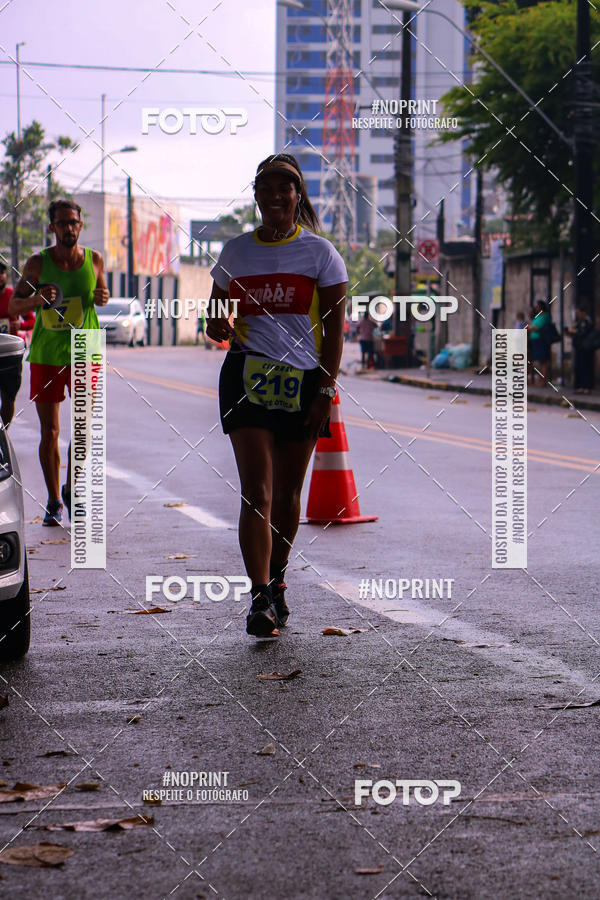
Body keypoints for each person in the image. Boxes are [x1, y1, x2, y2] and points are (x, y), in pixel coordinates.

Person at [207, 154, 348, 637]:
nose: (274, 196)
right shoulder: (235, 252)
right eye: (265, 188)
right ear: (256, 196)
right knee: (257, 492)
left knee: (287, 493)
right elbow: (216, 314)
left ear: (297, 195)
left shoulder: (321, 254)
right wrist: (216, 324)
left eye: (283, 187)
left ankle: (278, 578)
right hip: (246, 376)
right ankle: (259, 596)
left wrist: (325, 389)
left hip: (303, 382)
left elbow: (335, 332)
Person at [9, 198, 109, 525]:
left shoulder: (95, 260)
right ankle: (53, 500)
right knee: (50, 430)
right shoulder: (38, 264)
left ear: (81, 225)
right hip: (48, 354)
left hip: (85, 351)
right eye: (62, 223)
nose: (69, 228)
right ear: (52, 227)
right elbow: (13, 306)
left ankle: (71, 488)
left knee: (82, 428)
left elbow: (101, 294)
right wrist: (37, 299)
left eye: (74, 222)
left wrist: (103, 297)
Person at [0, 262, 33, 426]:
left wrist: (20, 325)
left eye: (1, 273)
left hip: (10, 356)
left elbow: (31, 320)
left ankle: (4, 432)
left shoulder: (12, 296)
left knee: (9, 397)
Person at [566, 307, 595, 394]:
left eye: (578, 313)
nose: (577, 315)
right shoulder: (579, 321)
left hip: (586, 348)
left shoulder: (587, 321)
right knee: (579, 367)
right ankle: (581, 386)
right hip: (579, 347)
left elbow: (583, 332)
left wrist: (574, 331)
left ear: (583, 312)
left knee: (586, 367)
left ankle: (586, 387)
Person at [528, 300, 552, 386]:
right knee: (538, 360)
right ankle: (540, 380)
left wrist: (530, 328)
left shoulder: (545, 316)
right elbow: (530, 325)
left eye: (537, 307)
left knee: (543, 360)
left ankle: (543, 381)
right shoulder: (537, 316)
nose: (536, 308)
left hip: (541, 339)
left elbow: (536, 327)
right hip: (535, 340)